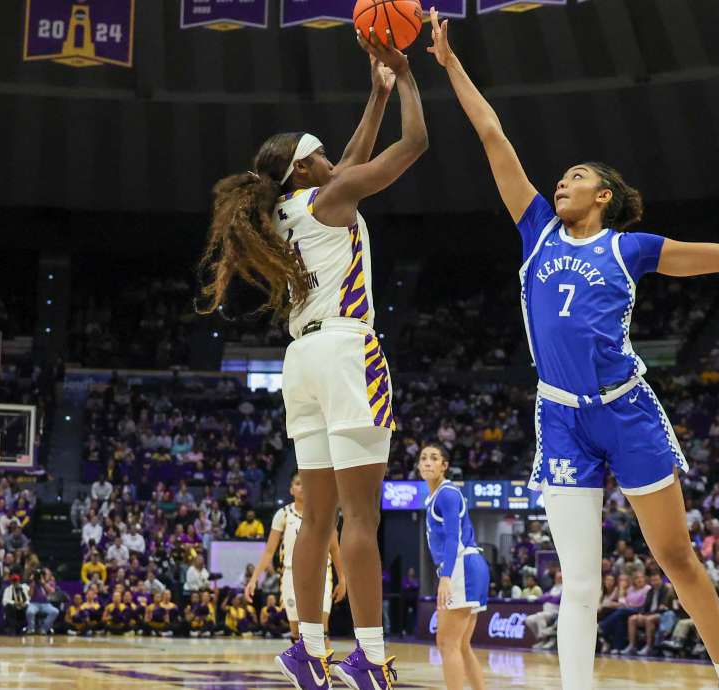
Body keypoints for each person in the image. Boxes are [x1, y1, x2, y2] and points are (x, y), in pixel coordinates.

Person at [426, 7, 719, 689]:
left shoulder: (630, 247)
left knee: (677, 557)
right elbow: (492, 134)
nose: (560, 183)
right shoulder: (536, 228)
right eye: (561, 178)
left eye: (575, 177)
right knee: (579, 581)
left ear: (602, 195)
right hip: (560, 415)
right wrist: (450, 62)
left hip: (625, 409)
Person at [196, 26, 427, 690]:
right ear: (303, 167)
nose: (334, 158)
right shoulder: (332, 197)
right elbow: (415, 146)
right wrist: (407, 76)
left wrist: (375, 94)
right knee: (362, 516)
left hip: (302, 360)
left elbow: (351, 158)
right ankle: (372, 656)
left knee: (316, 517)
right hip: (349, 352)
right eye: (321, 154)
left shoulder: (288, 210)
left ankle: (308, 647)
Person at [419, 445, 489, 690]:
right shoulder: (436, 495)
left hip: (462, 566)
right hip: (471, 566)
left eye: (434, 458)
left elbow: (452, 537)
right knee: (460, 645)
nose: (427, 462)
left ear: (445, 466)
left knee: (446, 644)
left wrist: (445, 576)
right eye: (423, 458)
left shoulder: (447, 493)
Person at [246, 473, 347, 642]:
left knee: (321, 629)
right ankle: (301, 667)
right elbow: (269, 551)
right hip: (291, 574)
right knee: (295, 631)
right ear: (291, 489)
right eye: (299, 484)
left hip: (320, 573)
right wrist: (254, 579)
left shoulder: (325, 514)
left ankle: (324, 667)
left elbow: (335, 549)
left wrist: (343, 579)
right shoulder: (283, 514)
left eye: (306, 483)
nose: (303, 487)